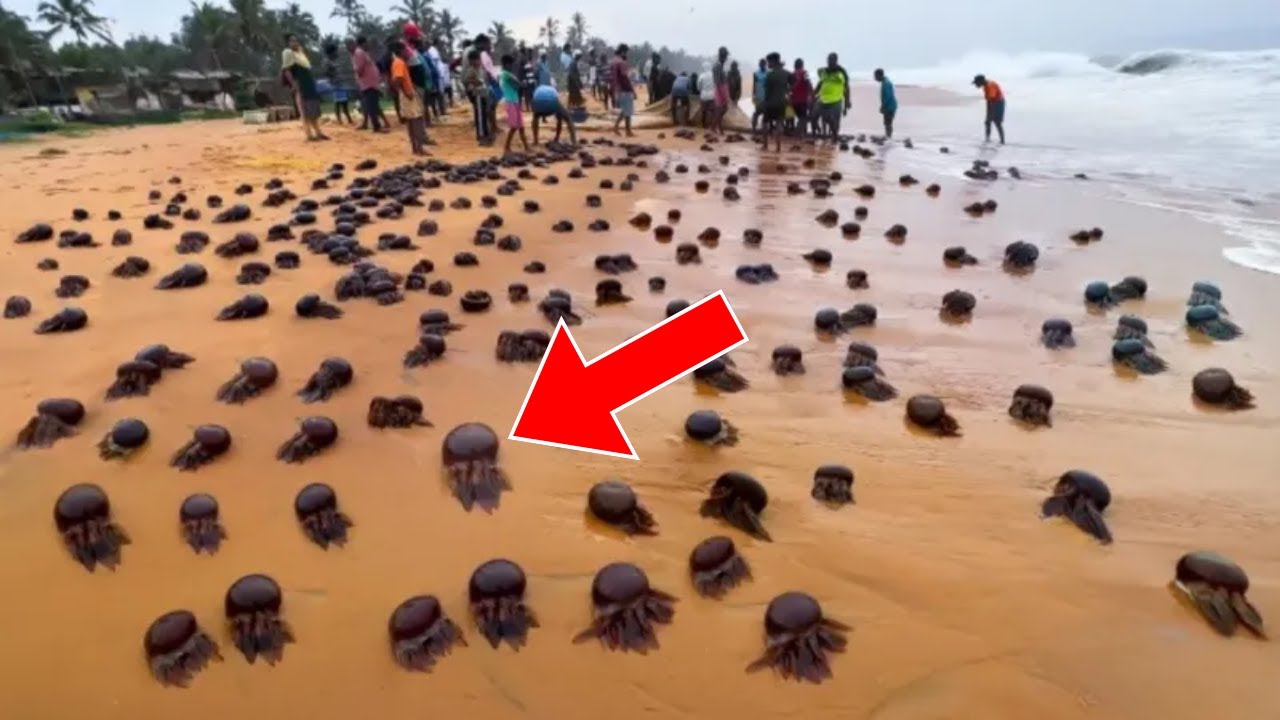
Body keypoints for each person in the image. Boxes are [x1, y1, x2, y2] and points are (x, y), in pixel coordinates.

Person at [280, 34, 328, 141]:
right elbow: (286, 70)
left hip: (308, 83)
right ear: (288, 43)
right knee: (304, 110)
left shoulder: (300, 52)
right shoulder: (287, 52)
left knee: (313, 109)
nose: (295, 43)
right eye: (292, 41)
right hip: (300, 83)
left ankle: (318, 132)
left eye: (296, 41)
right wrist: (293, 84)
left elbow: (307, 67)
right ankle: (309, 135)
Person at [389, 40, 427, 155]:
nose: (408, 52)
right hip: (408, 94)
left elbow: (397, 80)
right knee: (417, 120)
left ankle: (415, 148)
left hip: (407, 93)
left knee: (411, 122)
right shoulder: (399, 62)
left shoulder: (398, 62)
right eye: (405, 50)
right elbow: (398, 79)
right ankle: (419, 148)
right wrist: (406, 93)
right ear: (400, 51)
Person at [349, 37, 389, 132]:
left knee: (371, 105)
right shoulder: (359, 53)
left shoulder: (362, 52)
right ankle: (377, 127)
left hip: (371, 83)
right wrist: (363, 78)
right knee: (372, 106)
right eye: (366, 43)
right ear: (362, 43)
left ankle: (373, 125)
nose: (368, 45)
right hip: (368, 84)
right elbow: (358, 69)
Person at [498, 54, 530, 155]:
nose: (512, 66)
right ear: (506, 64)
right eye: (511, 64)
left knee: (521, 126)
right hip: (510, 101)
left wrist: (521, 84)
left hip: (515, 101)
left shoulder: (508, 73)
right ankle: (506, 147)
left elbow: (517, 85)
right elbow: (518, 84)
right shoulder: (505, 74)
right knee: (514, 126)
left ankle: (526, 147)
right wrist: (522, 84)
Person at [461, 49, 492, 145]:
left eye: (478, 59)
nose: (478, 62)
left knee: (484, 115)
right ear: (471, 61)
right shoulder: (471, 70)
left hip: (483, 94)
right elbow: (466, 80)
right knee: (480, 116)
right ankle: (481, 137)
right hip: (477, 95)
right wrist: (475, 82)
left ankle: (486, 134)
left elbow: (484, 80)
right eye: (475, 60)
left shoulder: (480, 69)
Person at [760, 52, 789, 152]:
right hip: (781, 102)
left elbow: (767, 91)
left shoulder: (770, 75)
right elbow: (795, 82)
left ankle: (765, 146)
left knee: (764, 123)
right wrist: (788, 92)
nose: (768, 64)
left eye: (769, 61)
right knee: (779, 123)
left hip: (770, 103)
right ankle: (778, 148)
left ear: (774, 61)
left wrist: (764, 102)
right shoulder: (786, 73)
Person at [815, 54, 849, 139]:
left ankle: (835, 137)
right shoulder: (825, 72)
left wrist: (847, 102)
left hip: (836, 100)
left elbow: (846, 87)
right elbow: (820, 83)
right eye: (828, 60)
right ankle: (830, 134)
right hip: (824, 100)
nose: (829, 62)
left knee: (836, 121)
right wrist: (813, 94)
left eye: (831, 60)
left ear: (835, 61)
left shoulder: (840, 73)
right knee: (825, 119)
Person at [321, 41, 355, 125]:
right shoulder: (327, 61)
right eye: (336, 51)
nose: (337, 52)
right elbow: (325, 72)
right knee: (338, 102)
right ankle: (339, 119)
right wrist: (332, 76)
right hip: (335, 84)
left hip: (340, 83)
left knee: (344, 101)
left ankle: (348, 118)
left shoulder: (334, 60)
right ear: (331, 52)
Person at [610, 44, 635, 137]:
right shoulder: (621, 62)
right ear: (623, 52)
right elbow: (624, 77)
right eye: (626, 52)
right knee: (628, 110)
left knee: (625, 110)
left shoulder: (613, 61)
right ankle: (628, 131)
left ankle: (616, 127)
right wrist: (631, 90)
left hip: (617, 89)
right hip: (624, 89)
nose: (627, 55)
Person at [973, 74, 1005, 144]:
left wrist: (991, 113)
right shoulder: (985, 86)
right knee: (987, 122)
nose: (975, 85)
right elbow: (988, 100)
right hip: (992, 102)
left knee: (997, 122)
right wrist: (988, 112)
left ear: (981, 82)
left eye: (976, 83)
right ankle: (987, 140)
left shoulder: (990, 85)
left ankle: (1002, 141)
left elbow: (992, 99)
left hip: (998, 102)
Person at [871, 68, 898, 139]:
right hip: (890, 106)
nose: (875, 78)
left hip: (890, 106)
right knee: (887, 123)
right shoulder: (885, 82)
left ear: (879, 75)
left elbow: (888, 97)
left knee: (888, 123)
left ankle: (889, 137)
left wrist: (883, 106)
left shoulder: (886, 83)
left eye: (875, 76)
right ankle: (888, 136)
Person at [790, 58, 812, 137]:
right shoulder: (805, 73)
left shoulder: (792, 74)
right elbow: (809, 83)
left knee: (801, 118)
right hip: (803, 100)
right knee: (803, 118)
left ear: (795, 65)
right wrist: (811, 95)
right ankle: (797, 133)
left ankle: (801, 134)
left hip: (794, 101)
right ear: (802, 65)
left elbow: (790, 87)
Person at [711, 46, 730, 135]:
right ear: (722, 56)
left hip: (722, 89)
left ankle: (716, 126)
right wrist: (723, 95)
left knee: (722, 109)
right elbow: (717, 82)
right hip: (720, 90)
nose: (726, 58)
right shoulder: (718, 66)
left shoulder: (720, 65)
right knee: (720, 109)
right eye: (725, 56)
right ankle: (716, 127)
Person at [750, 58, 767, 132]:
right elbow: (754, 85)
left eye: (763, 64)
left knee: (764, 112)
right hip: (759, 94)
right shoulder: (756, 73)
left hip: (765, 94)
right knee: (758, 112)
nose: (762, 65)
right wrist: (753, 95)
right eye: (761, 64)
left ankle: (763, 128)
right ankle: (754, 128)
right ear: (759, 65)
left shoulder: (768, 73)